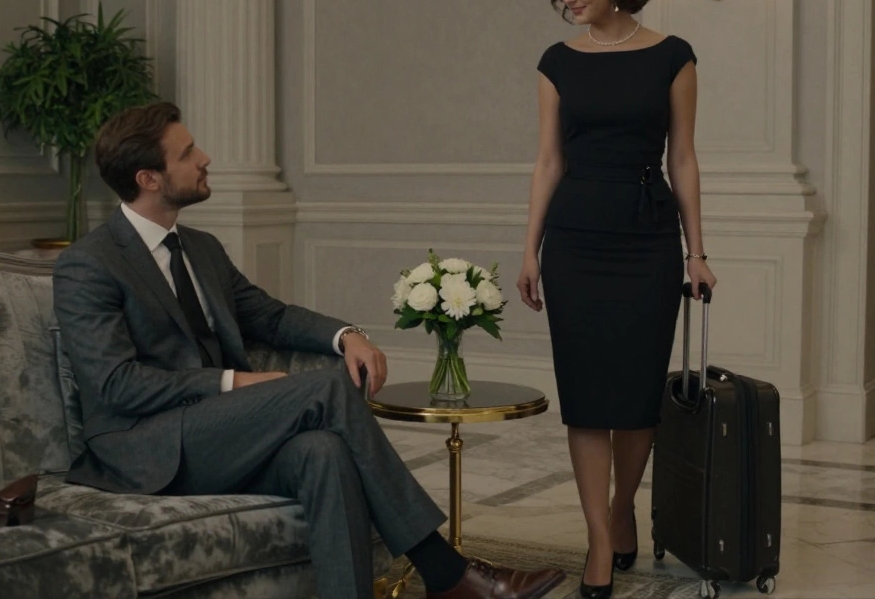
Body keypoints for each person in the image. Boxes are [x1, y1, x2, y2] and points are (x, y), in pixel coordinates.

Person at [53, 101, 566, 599]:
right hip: (148, 448)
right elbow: (115, 385)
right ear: (149, 179)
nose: (205, 157)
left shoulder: (201, 248)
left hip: (219, 430)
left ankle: (429, 579)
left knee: (324, 453)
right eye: (188, 153)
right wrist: (236, 382)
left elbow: (269, 316)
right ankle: (445, 570)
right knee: (325, 387)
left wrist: (348, 335)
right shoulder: (91, 264)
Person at [515, 0, 717, 599]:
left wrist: (697, 251)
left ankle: (622, 503)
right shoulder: (557, 61)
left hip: (645, 238)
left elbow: (683, 157)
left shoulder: (673, 57)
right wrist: (530, 249)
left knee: (634, 401)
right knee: (587, 400)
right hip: (574, 240)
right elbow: (549, 160)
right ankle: (600, 538)